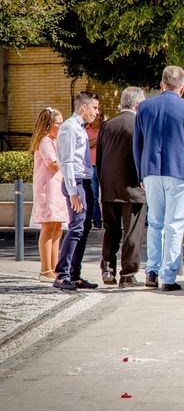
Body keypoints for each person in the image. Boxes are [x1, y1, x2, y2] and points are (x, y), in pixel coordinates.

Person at [133, 66, 184, 292]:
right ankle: (168, 275)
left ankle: (151, 271)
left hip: (152, 172)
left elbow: (137, 144)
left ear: (161, 84)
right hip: (179, 172)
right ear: (182, 88)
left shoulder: (144, 107)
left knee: (155, 223)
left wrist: (140, 173)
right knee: (174, 224)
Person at [97, 87, 147, 288]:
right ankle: (128, 274)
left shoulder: (107, 125)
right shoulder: (140, 124)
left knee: (111, 230)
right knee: (132, 233)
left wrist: (102, 183)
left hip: (108, 188)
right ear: (138, 105)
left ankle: (107, 270)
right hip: (133, 188)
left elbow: (99, 159)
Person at [54, 91, 100, 291]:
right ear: (84, 107)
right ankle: (62, 275)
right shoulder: (70, 128)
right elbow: (67, 161)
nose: (96, 113)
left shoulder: (81, 128)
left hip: (86, 182)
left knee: (84, 228)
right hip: (76, 183)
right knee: (76, 228)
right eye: (95, 108)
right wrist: (73, 191)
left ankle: (75, 274)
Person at [29, 108, 68, 283]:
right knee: (48, 227)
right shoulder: (45, 141)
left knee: (57, 228)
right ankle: (46, 269)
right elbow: (53, 165)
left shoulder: (54, 141)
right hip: (47, 190)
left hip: (57, 189)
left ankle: (54, 268)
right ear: (49, 125)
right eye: (58, 122)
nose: (61, 125)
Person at [86, 109, 105, 228]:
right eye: (97, 115)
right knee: (94, 195)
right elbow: (86, 145)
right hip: (91, 165)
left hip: (104, 165)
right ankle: (96, 220)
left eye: (101, 116)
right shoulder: (85, 129)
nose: (99, 118)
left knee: (107, 194)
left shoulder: (106, 129)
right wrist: (98, 140)